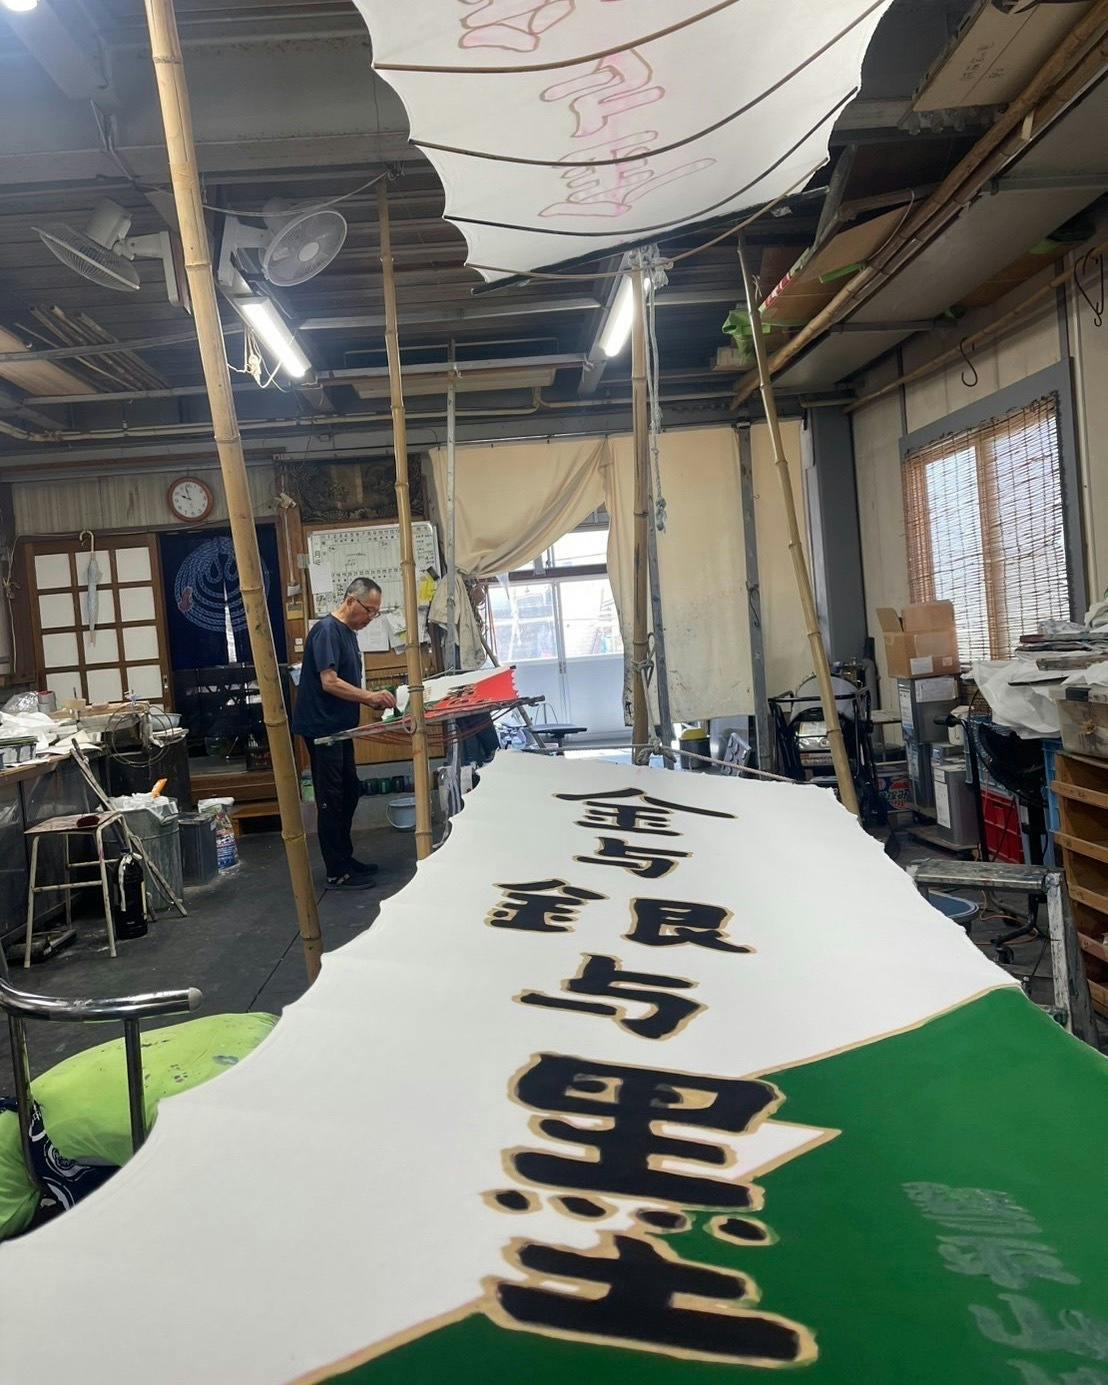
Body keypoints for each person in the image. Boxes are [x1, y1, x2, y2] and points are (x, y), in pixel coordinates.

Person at [293, 577, 396, 890]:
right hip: (323, 729)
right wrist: (368, 697)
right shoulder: (327, 630)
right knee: (331, 799)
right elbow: (329, 682)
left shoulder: (348, 634)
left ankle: (345, 858)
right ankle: (336, 871)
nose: (371, 617)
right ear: (351, 600)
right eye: (369, 610)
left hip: (341, 728)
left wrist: (370, 701)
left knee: (349, 792)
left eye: (376, 612)